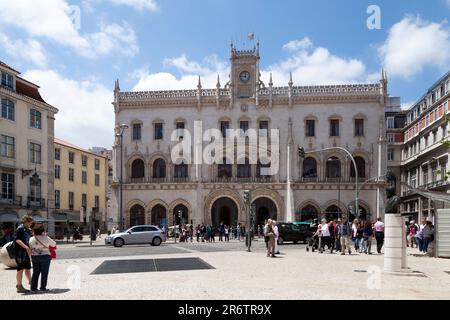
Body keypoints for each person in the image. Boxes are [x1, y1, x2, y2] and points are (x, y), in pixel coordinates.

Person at [29, 225, 56, 292]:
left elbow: (30, 245)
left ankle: (33, 288)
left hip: (34, 256)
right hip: (45, 256)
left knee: (35, 272)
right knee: (44, 273)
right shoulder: (46, 238)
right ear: (42, 231)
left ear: (34, 231)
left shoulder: (31, 239)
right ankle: (42, 288)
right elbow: (54, 244)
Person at [15, 215, 34, 293]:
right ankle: (19, 286)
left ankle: (31, 283)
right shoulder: (20, 229)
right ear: (26, 221)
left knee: (27, 268)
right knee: (20, 270)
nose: (31, 224)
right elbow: (17, 240)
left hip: (25, 252)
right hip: (20, 252)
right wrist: (26, 247)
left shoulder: (28, 229)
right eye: (30, 223)